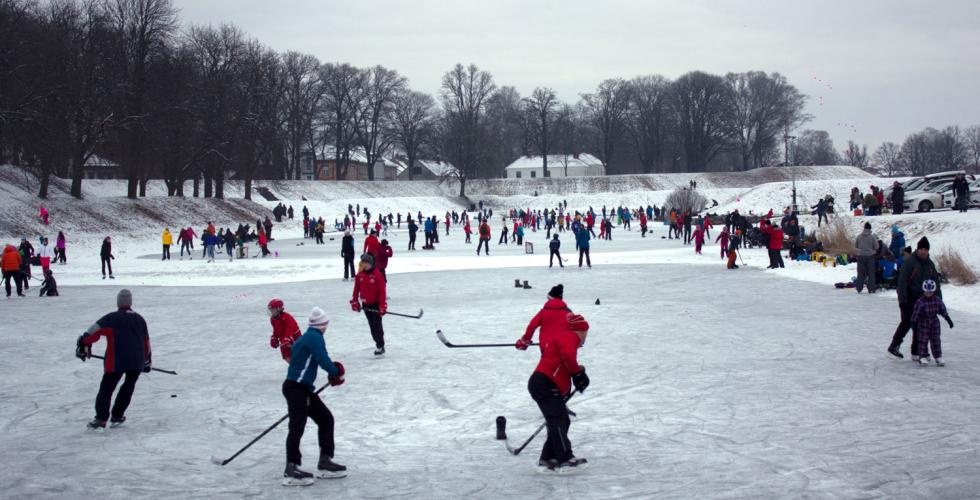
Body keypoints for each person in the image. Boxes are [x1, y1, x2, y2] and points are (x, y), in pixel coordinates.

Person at [514, 284, 590, 471]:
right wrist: (577, 374)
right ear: (579, 330)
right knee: (558, 418)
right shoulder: (569, 336)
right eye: (585, 332)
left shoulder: (546, 313)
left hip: (544, 375)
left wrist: (525, 340)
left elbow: (563, 363)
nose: (585, 336)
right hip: (544, 383)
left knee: (559, 419)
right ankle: (564, 456)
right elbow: (567, 355)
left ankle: (547, 458)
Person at [281, 307, 347, 484]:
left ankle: (325, 462)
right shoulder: (315, 337)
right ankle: (291, 468)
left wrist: (332, 374)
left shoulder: (306, 336)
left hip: (301, 388)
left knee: (325, 419)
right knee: (297, 426)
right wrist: (336, 371)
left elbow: (301, 357)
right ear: (323, 324)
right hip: (297, 388)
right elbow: (322, 358)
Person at [75, 289, 151, 429]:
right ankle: (117, 415)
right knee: (128, 387)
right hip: (136, 360)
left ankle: (101, 419)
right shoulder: (140, 319)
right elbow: (146, 341)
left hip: (117, 360)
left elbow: (94, 330)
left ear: (118, 302)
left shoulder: (112, 318)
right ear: (130, 303)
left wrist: (84, 341)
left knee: (107, 389)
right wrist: (147, 361)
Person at [888, 237, 940, 360]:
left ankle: (916, 351)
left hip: (922, 299)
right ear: (917, 249)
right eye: (921, 249)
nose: (923, 251)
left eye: (925, 249)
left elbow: (935, 283)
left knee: (920, 324)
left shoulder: (930, 264)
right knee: (907, 321)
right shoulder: (910, 261)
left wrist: (938, 300)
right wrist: (902, 300)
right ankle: (893, 347)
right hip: (908, 297)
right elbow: (902, 281)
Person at [910, 280, 953, 366]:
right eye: (927, 292)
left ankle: (938, 357)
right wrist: (913, 322)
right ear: (924, 291)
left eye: (930, 292)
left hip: (934, 322)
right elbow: (916, 313)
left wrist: (948, 319)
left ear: (933, 291)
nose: (929, 293)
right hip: (923, 323)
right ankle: (922, 356)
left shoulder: (937, 300)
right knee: (923, 340)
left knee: (936, 339)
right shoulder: (920, 301)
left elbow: (942, 309)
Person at [351, 254, 387, 355]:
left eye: (367, 263)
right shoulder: (360, 275)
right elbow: (356, 289)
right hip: (366, 305)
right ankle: (378, 343)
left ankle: (380, 345)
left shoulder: (377, 275)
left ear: (371, 264)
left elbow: (382, 291)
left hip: (376, 305)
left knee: (377, 326)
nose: (365, 265)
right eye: (364, 263)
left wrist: (382, 305)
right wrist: (355, 301)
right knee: (372, 326)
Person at [268, 299, 302, 363]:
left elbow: (290, 328)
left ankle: (300, 369)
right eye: (270, 310)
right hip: (283, 341)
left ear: (279, 309)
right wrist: (274, 337)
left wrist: (287, 338)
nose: (271, 311)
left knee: (298, 357)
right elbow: (276, 330)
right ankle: (294, 369)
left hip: (295, 338)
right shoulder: (272, 319)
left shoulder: (286, 317)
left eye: (273, 309)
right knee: (286, 357)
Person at [854, 222, 879, 293]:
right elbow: (876, 247)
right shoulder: (872, 237)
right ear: (870, 228)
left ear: (864, 228)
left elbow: (856, 246)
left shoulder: (859, 236)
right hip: (870, 257)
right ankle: (871, 289)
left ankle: (859, 288)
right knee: (871, 273)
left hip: (860, 257)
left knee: (860, 273)